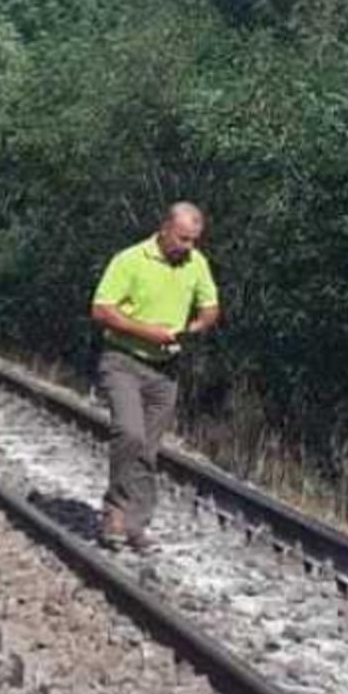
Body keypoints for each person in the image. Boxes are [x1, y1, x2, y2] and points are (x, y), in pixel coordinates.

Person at [89, 202, 222, 552]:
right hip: (124, 360)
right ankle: (115, 513)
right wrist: (148, 332)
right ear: (164, 229)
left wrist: (195, 328)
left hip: (166, 370)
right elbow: (102, 309)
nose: (189, 247)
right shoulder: (130, 260)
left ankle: (136, 526)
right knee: (130, 435)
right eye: (183, 239)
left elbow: (210, 307)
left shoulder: (197, 263)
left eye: (194, 240)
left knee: (148, 449)